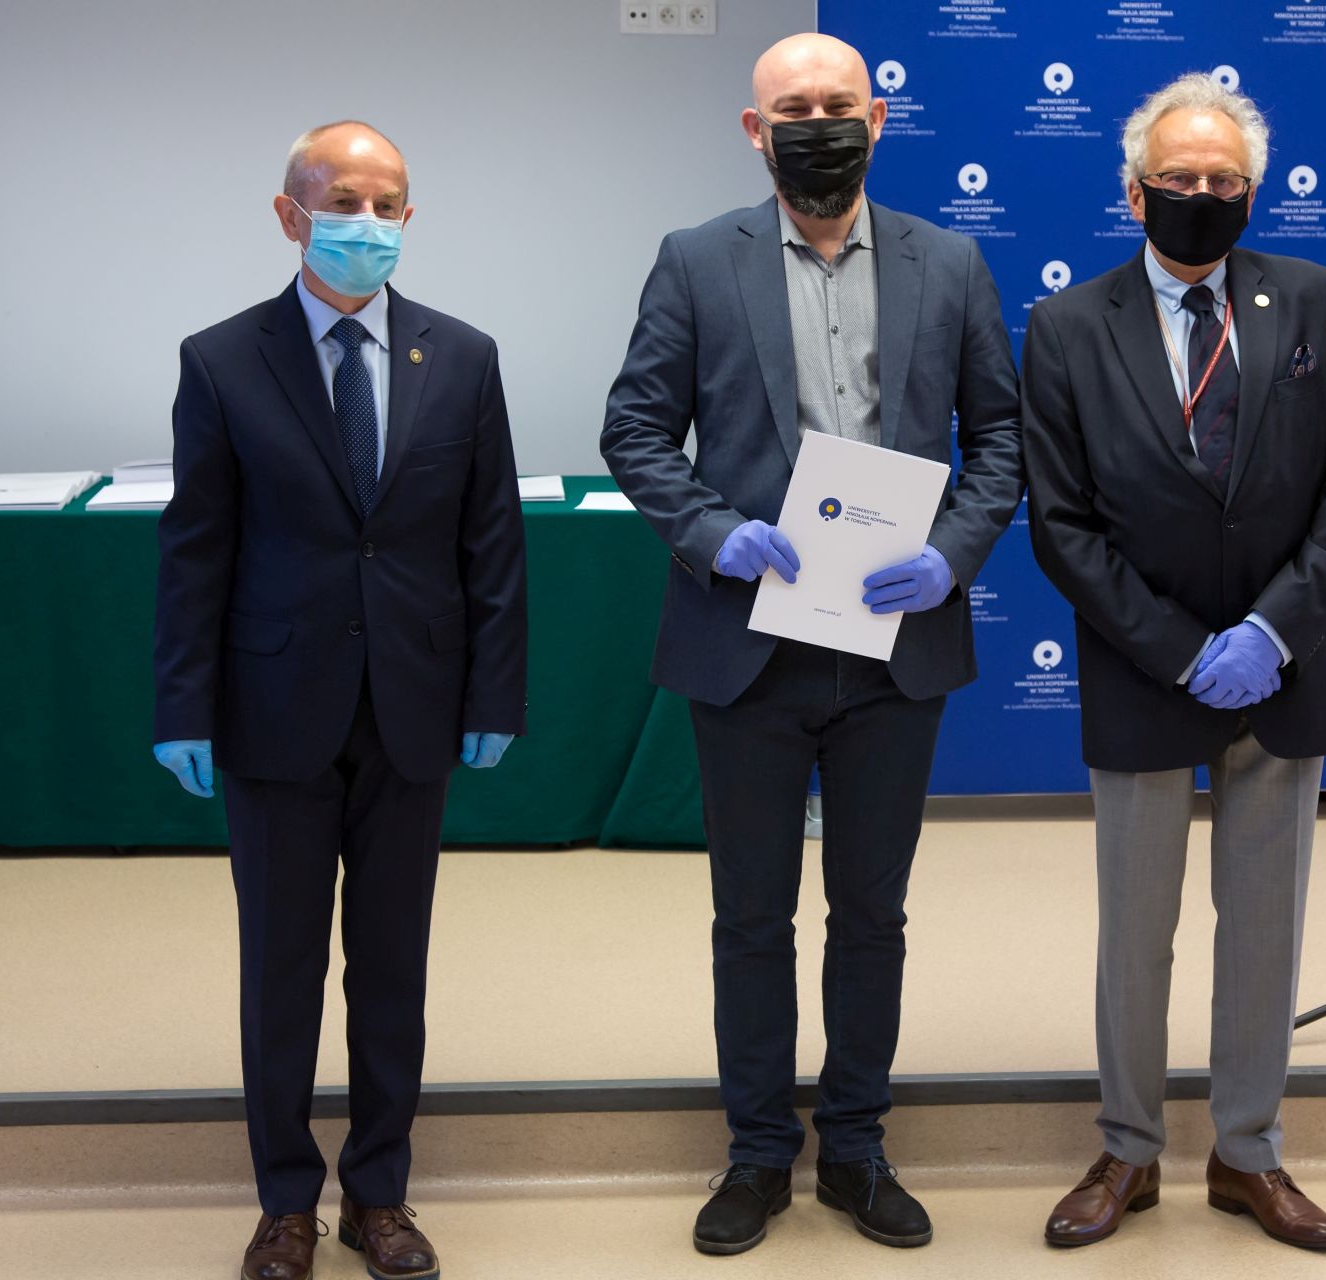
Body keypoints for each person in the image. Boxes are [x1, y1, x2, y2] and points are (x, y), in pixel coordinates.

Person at [602, 32, 1023, 1258]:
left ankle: (855, 1145)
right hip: (748, 645)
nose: (820, 122)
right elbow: (636, 429)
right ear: (756, 128)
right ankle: (754, 1152)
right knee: (750, 915)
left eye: (840, 103)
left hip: (897, 645)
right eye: (795, 107)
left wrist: (952, 552)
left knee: (872, 912)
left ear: (877, 117)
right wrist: (712, 533)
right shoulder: (696, 260)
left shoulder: (950, 262)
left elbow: (1000, 438)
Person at [151, 120, 526, 1280]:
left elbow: (493, 542)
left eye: (388, 204)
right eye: (343, 200)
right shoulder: (223, 359)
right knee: (281, 964)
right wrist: (182, 705)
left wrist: (496, 689)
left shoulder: (463, 356)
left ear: (410, 218)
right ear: (290, 214)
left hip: (414, 701)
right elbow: (196, 547)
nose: (368, 222)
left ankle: (379, 1189)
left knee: (392, 962)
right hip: (273, 707)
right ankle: (283, 1200)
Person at [1023, 73, 1326, 1252]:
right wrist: (1183, 650)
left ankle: (1247, 1152)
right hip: (1143, 666)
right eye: (1180, 178)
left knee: (1264, 929)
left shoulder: (1315, 299)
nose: (1204, 195)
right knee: (1137, 930)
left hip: (1285, 668)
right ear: (1135, 193)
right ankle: (1128, 1148)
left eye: (1226, 180)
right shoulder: (1069, 326)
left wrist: (1268, 634)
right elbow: (1062, 523)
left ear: (1254, 192)